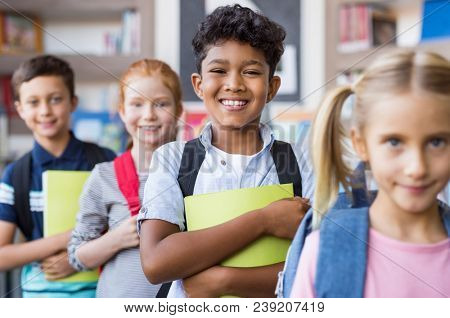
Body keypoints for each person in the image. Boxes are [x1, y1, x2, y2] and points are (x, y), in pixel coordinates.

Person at [138, 4, 313, 298]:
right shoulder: (172, 160)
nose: (234, 84)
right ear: (199, 84)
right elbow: (157, 262)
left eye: (251, 72)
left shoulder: (303, 162)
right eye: (219, 70)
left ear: (271, 88)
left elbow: (317, 264)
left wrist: (224, 281)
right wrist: (264, 220)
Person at [290, 50, 450, 297]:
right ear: (361, 143)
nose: (417, 168)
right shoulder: (323, 254)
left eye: (437, 142)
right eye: (395, 142)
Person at [0, 55, 115, 297]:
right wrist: (68, 239)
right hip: (38, 296)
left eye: (55, 99)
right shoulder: (15, 175)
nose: (45, 111)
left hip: (101, 292)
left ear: (73, 102)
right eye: (33, 102)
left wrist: (77, 258)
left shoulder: (105, 161)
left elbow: (125, 228)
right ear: (20, 109)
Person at [68, 59, 183, 297]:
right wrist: (117, 239)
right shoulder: (104, 176)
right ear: (122, 111)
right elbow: (77, 256)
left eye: (161, 104)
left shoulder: (197, 172)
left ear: (179, 110)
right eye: (137, 104)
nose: (149, 115)